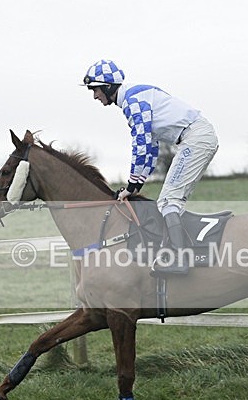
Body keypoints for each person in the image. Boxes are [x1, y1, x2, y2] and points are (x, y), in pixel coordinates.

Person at [82, 59, 219, 276]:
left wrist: (133, 182)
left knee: (168, 201)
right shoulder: (134, 97)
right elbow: (152, 147)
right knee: (171, 200)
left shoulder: (132, 101)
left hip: (195, 138)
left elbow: (141, 143)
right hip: (196, 137)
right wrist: (135, 187)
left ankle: (179, 259)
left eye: (95, 90)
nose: (94, 96)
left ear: (108, 87)